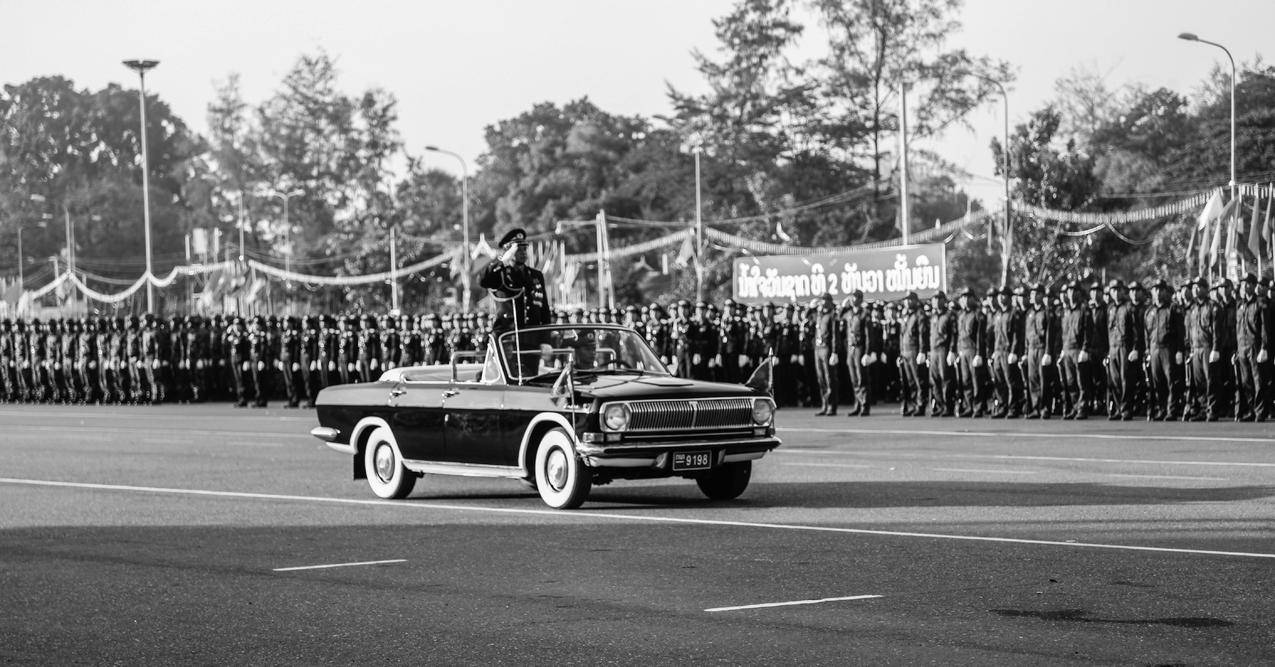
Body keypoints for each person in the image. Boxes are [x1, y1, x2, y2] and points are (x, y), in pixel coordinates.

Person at [480, 228, 551, 336]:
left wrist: (546, 338)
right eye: (517, 250)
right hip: (507, 335)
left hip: (532, 335)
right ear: (508, 252)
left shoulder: (535, 275)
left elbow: (544, 310)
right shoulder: (500, 274)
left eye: (524, 249)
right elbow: (482, 280)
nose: (523, 253)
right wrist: (502, 261)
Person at [813, 293, 840, 416]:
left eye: (825, 300)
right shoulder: (819, 315)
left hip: (827, 348)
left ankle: (831, 406)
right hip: (818, 348)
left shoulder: (833, 315)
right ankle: (824, 404)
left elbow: (835, 335)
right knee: (821, 378)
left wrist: (834, 352)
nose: (823, 302)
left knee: (829, 378)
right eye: (822, 300)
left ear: (830, 302)